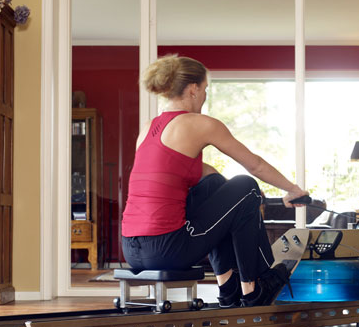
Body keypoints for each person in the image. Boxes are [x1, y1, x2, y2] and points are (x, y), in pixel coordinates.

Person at [121, 55, 308, 307]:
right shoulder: (200, 124)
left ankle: (228, 288)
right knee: (247, 186)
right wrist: (293, 190)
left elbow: (195, 174)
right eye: (205, 89)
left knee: (214, 186)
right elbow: (255, 165)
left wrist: (230, 198)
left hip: (131, 250)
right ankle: (256, 288)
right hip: (167, 248)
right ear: (193, 89)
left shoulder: (148, 129)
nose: (205, 95)